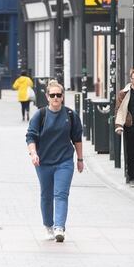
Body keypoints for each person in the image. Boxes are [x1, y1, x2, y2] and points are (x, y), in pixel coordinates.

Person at [26, 80, 84, 242]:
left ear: (63, 96)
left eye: (59, 95)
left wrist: (79, 159)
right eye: (53, 95)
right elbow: (30, 136)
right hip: (43, 162)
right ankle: (48, 226)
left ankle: (59, 227)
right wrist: (33, 154)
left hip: (64, 161)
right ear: (47, 96)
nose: (56, 98)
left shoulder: (71, 115)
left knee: (61, 194)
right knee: (46, 195)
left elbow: (77, 138)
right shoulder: (41, 115)